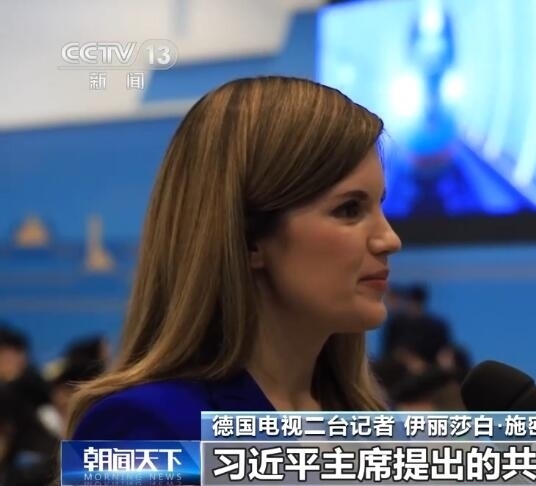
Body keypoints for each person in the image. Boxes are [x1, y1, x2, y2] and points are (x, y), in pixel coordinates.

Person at [67, 76, 402, 440]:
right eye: (349, 209)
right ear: (248, 237)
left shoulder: (369, 423)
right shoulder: (143, 426)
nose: (390, 240)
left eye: (380, 205)